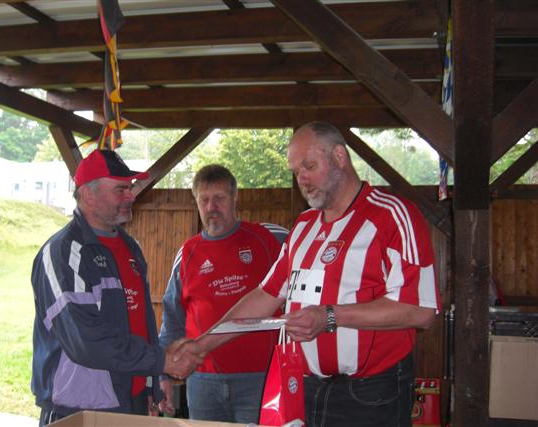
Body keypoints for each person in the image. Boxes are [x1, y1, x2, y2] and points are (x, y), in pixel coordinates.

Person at [178, 122, 441, 427]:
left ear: (339, 156)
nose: (301, 179)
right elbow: (265, 295)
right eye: (295, 171)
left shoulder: (392, 215)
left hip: (371, 392)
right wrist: (201, 346)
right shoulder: (304, 226)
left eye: (309, 166)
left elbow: (421, 310)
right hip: (306, 387)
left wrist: (329, 316)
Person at [30, 149, 201, 426]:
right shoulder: (64, 252)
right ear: (88, 194)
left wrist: (152, 383)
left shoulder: (130, 247)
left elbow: (140, 322)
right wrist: (161, 361)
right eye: (120, 189)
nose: (131, 196)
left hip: (131, 401)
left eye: (129, 188)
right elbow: (86, 340)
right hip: (80, 407)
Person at [158, 164, 288, 423]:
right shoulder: (187, 253)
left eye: (219, 198)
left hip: (261, 377)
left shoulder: (270, 238)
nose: (211, 207)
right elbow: (173, 318)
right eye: (204, 200)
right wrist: (163, 376)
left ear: (235, 197)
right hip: (203, 381)